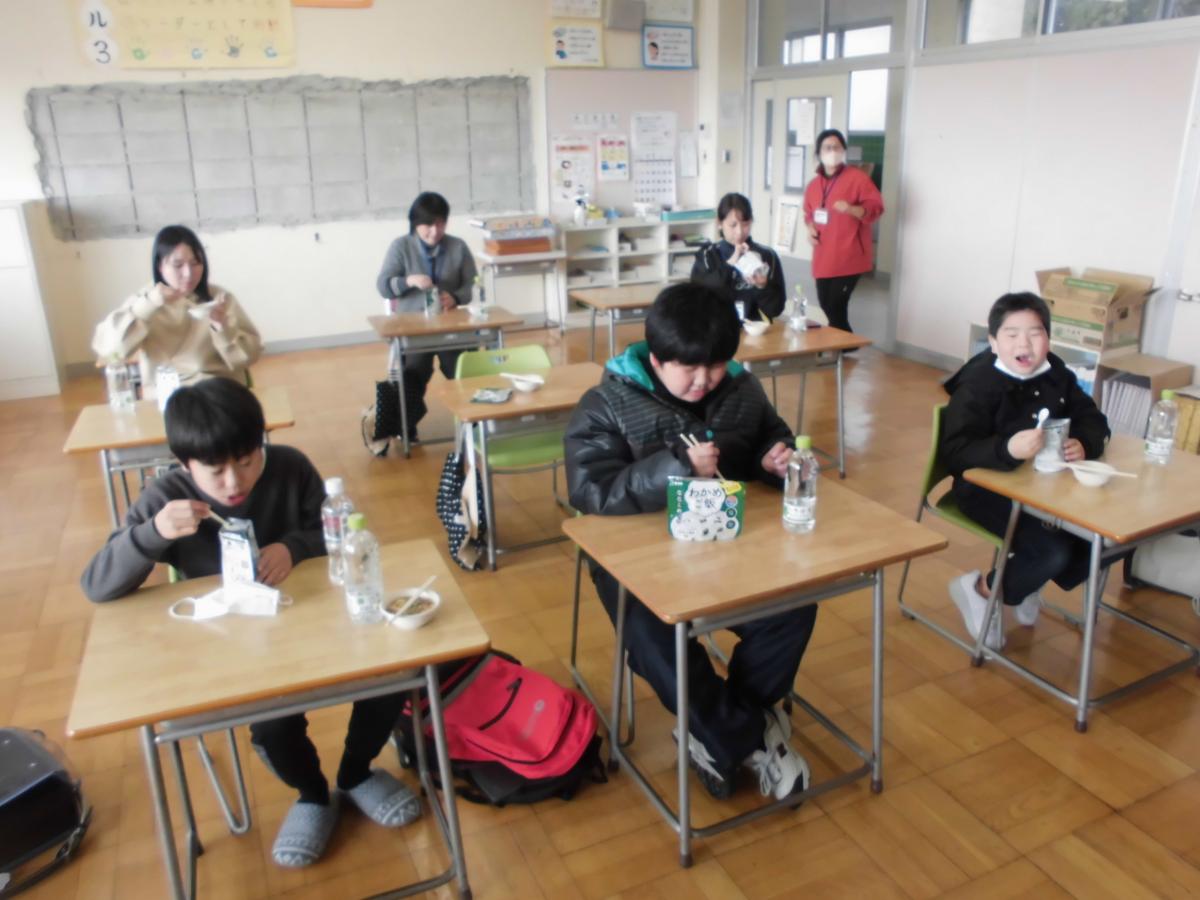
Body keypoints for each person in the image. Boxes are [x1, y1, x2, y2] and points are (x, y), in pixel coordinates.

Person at [80, 379, 418, 869]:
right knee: (274, 723)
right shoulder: (168, 496)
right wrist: (152, 533)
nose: (234, 482)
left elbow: (338, 530)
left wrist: (293, 547)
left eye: (246, 460)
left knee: (392, 674)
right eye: (215, 471)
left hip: (316, 623)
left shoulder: (289, 466)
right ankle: (312, 794)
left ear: (261, 444)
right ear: (184, 464)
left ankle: (357, 772)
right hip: (236, 647)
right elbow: (97, 585)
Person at [564, 281, 814, 802]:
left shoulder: (742, 389)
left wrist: (774, 460)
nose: (704, 381)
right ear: (657, 359)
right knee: (654, 638)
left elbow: (772, 435)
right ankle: (750, 737)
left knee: (793, 609)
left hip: (731, 544)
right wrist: (676, 468)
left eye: (716, 366)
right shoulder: (607, 403)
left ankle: (715, 732)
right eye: (689, 368)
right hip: (634, 561)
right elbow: (590, 490)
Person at [941, 292, 1111, 649]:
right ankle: (981, 590)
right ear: (993, 342)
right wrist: (1006, 449)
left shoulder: (1056, 373)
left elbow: (1093, 419)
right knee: (1051, 552)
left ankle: (1025, 580)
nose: (1024, 344)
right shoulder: (978, 384)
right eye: (1012, 334)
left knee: (1102, 540)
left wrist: (1084, 442)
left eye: (1035, 333)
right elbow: (954, 452)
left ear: (1048, 339)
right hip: (984, 490)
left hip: (1048, 489)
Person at [92, 225, 262, 398]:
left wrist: (222, 328)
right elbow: (111, 352)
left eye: (195, 263)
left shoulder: (219, 298)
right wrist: (148, 305)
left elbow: (249, 357)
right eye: (178, 265)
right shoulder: (144, 300)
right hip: (170, 396)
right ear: (160, 266)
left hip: (219, 391)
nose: (188, 273)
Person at [375, 191, 478, 442]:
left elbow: (471, 285)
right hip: (413, 329)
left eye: (441, 224)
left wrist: (456, 297)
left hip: (450, 327)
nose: (435, 231)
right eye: (428, 225)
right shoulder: (401, 247)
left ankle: (474, 418)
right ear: (415, 223)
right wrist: (407, 281)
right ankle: (406, 424)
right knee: (414, 371)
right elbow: (383, 286)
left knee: (463, 367)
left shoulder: (458, 247)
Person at [802, 129, 884, 334]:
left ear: (843, 151)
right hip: (823, 256)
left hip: (850, 255)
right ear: (819, 152)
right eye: (827, 148)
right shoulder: (813, 185)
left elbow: (876, 207)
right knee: (826, 304)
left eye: (836, 147)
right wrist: (810, 227)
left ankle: (845, 346)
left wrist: (851, 209)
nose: (832, 151)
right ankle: (845, 346)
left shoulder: (857, 179)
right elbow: (809, 213)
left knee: (835, 305)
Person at [691, 193, 786, 323]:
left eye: (745, 224)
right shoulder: (707, 255)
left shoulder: (767, 255)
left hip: (756, 330)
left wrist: (762, 286)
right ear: (719, 223)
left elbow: (776, 310)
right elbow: (699, 301)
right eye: (733, 225)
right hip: (717, 330)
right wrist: (730, 264)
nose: (740, 231)